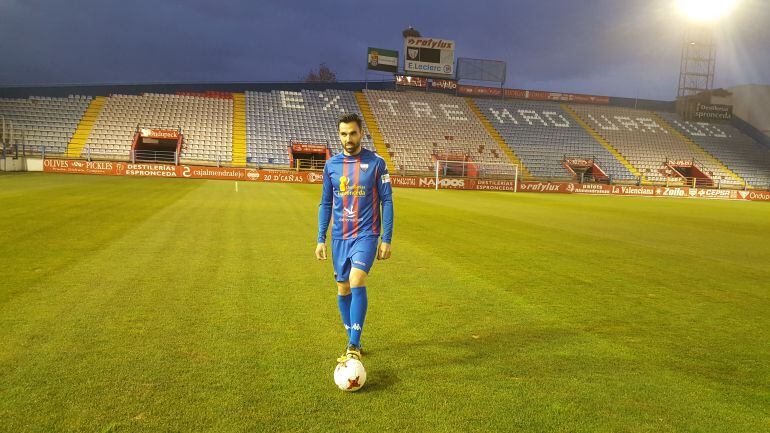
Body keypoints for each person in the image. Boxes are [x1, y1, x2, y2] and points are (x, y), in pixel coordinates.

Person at [315, 113, 394, 363]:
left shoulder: (377, 163)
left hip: (367, 234)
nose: (348, 138)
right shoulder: (331, 165)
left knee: (356, 278)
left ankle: (353, 343)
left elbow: (387, 201)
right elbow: (326, 202)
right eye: (343, 134)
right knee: (343, 287)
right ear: (339, 135)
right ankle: (353, 338)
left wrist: (386, 238)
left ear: (361, 134)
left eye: (352, 133)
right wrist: (320, 238)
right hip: (340, 236)